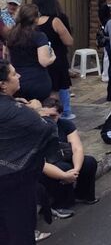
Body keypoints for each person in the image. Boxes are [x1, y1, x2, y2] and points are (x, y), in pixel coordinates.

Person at [0, 60, 59, 245]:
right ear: (2, 84)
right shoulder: (15, 111)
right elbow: (46, 131)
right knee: (19, 228)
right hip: (14, 179)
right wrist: (38, 110)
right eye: (13, 74)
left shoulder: (12, 107)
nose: (19, 76)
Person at [40, 100, 100, 217]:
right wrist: (64, 175)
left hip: (63, 156)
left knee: (89, 162)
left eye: (53, 116)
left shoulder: (65, 125)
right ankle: (60, 205)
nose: (49, 120)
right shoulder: (36, 128)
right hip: (46, 163)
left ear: (60, 115)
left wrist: (76, 170)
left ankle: (83, 194)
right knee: (64, 168)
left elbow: (77, 148)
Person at [33, 0, 75, 119]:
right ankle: (63, 113)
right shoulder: (56, 20)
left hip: (38, 61)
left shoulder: (31, 23)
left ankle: (43, 113)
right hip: (57, 59)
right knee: (60, 87)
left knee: (47, 88)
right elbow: (69, 41)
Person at [6, 4, 56, 102]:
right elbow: (44, 61)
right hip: (38, 81)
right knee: (39, 110)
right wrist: (53, 57)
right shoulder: (39, 36)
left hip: (17, 80)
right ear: (36, 19)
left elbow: (7, 57)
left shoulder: (11, 35)